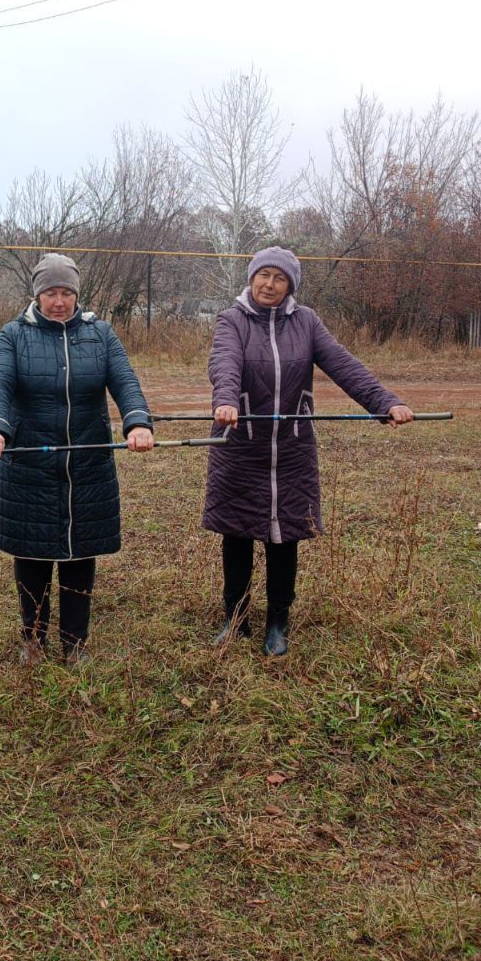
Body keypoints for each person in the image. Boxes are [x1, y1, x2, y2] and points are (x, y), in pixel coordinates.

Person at [204, 246, 414, 656]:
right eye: (263, 275)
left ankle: (278, 622)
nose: (269, 284)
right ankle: (235, 618)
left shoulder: (307, 322)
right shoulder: (232, 320)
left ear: (290, 285)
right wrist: (225, 400)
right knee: (238, 532)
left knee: (284, 537)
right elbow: (223, 363)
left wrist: (384, 402)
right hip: (240, 445)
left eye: (279, 278)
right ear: (251, 278)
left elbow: (344, 365)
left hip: (292, 448)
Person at [0, 253, 154, 664]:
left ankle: (75, 643)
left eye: (66, 292)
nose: (59, 301)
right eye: (51, 293)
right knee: (32, 551)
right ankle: (33, 640)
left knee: (80, 552)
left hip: (87, 461)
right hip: (29, 462)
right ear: (37, 295)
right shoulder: (13, 335)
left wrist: (137, 422)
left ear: (77, 293)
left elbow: (125, 381)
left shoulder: (101, 334)